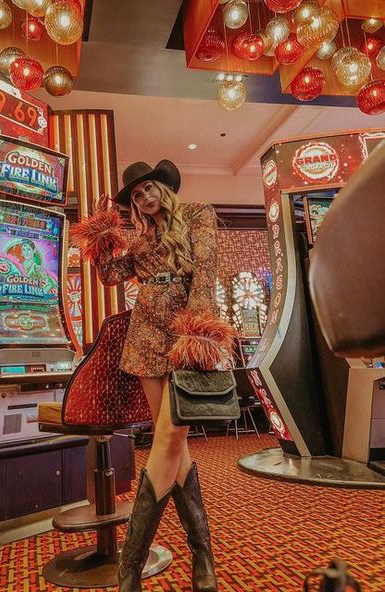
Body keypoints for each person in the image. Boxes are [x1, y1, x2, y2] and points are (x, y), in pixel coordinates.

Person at [71, 160, 235, 592]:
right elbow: (109, 276)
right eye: (136, 197)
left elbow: (206, 271)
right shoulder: (141, 239)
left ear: (163, 186)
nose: (144, 199)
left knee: (170, 439)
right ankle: (204, 557)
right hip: (143, 332)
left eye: (147, 189)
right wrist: (103, 234)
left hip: (181, 328)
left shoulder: (197, 214)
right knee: (173, 446)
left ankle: (130, 568)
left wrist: (196, 331)